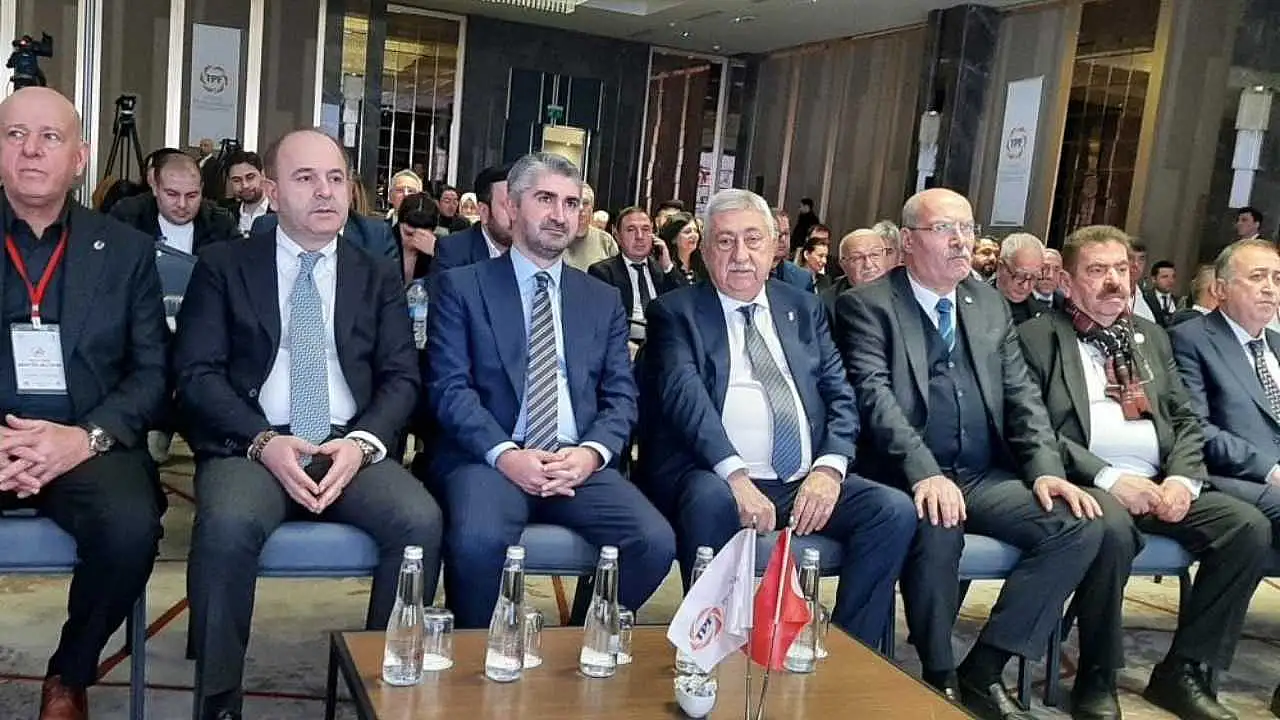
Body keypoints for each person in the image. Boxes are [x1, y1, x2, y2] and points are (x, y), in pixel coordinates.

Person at [175, 129, 443, 720]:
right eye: (305, 178)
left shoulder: (375, 274)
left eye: (335, 178)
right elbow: (196, 375)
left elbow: (402, 377)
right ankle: (218, 705)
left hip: (347, 445)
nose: (325, 191)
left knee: (419, 521)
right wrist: (263, 441)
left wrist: (362, 444)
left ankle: (382, 695)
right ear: (271, 192)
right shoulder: (225, 266)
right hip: (253, 444)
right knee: (226, 526)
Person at [835, 188, 1102, 720]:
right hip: (904, 476)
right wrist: (924, 473)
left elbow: (1023, 397)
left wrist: (1045, 470)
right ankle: (940, 674)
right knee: (939, 526)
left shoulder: (988, 304)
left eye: (968, 228)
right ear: (908, 242)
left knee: (1077, 525)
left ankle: (985, 668)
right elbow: (875, 399)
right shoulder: (867, 305)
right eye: (944, 229)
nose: (961, 241)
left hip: (981, 474)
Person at [641, 188, 915, 647]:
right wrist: (736, 477)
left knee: (892, 511)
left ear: (774, 248)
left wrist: (829, 469)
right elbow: (687, 403)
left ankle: (852, 651)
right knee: (710, 500)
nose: (740, 255)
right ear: (705, 251)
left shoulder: (804, 308)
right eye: (725, 241)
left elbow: (840, 396)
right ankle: (715, 647)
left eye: (753, 240)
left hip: (803, 480)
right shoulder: (675, 312)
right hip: (715, 475)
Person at [1018, 225, 1270, 720]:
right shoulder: (1037, 338)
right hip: (1088, 483)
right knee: (1110, 530)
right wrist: (1110, 478)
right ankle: (1096, 675)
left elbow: (1185, 420)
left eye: (1120, 269)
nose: (1114, 281)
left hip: (1159, 483)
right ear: (1067, 282)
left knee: (1247, 527)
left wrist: (1181, 480)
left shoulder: (1149, 336)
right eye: (1097, 270)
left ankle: (1183, 670)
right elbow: (1035, 430)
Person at [423, 152, 675, 629]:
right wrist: (506, 455)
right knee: (477, 543)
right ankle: (474, 656)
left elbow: (621, 397)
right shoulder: (463, 287)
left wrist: (590, 455)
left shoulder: (601, 299)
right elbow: (449, 389)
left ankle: (580, 642)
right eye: (545, 199)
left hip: (575, 462)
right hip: (490, 459)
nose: (560, 214)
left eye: (571, 203)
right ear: (511, 207)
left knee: (654, 542)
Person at [0, 87, 168, 720]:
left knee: (130, 529)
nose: (31, 150)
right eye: (15, 135)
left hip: (88, 442)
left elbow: (153, 372)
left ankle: (68, 676)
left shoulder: (125, 250)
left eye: (50, 137)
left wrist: (84, 438)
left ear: (80, 157)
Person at [1171, 241, 1280, 539]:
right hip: (1235, 477)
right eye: (1257, 277)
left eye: (1277, 279)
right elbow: (1196, 427)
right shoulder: (1189, 340)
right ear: (1220, 289)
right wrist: (1271, 470)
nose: (1270, 288)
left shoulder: (1276, 344)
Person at [588, 206, 686, 344]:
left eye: (645, 229)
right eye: (631, 230)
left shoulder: (662, 270)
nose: (639, 236)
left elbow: (685, 304)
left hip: (664, 343)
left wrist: (668, 267)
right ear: (617, 236)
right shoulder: (603, 272)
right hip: (626, 344)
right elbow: (601, 323)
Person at [109, 152, 238, 256]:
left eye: (192, 196)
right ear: (155, 188)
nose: (182, 204)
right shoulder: (128, 218)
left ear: (202, 189)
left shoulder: (221, 224)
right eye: (172, 194)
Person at [432, 164, 513, 274]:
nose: (518, 214)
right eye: (509, 206)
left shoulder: (533, 248)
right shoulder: (453, 252)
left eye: (521, 204)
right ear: (484, 211)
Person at [821, 228, 891, 323]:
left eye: (875, 254)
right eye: (857, 258)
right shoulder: (828, 303)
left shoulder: (902, 290)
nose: (868, 265)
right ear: (843, 265)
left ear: (885, 256)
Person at [994, 233, 1048, 326]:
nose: (1025, 286)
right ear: (1000, 267)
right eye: (1020, 276)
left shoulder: (1043, 315)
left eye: (1034, 277)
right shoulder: (974, 306)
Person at [563, 183, 619, 270]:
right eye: (574, 203)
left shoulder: (605, 241)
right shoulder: (553, 237)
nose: (581, 208)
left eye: (585, 203)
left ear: (592, 208)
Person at [222, 150, 269, 237]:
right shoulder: (225, 216)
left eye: (250, 177)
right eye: (237, 180)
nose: (245, 185)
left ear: (263, 175)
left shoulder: (281, 212)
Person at [396, 193, 439, 284]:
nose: (415, 241)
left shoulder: (440, 249)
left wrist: (437, 253)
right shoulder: (383, 243)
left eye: (422, 236)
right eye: (408, 234)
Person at [770, 207, 814, 292]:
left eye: (786, 233)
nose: (783, 239)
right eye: (777, 233)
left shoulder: (802, 279)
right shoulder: (747, 273)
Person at [659, 211, 704, 284]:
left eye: (695, 231)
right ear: (674, 239)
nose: (694, 235)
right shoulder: (666, 267)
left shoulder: (702, 264)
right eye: (687, 232)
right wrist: (670, 268)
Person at [1144, 260, 1180, 327]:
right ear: (1154, 279)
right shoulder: (1144, 299)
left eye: (1173, 276)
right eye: (1165, 277)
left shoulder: (1179, 302)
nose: (1170, 281)